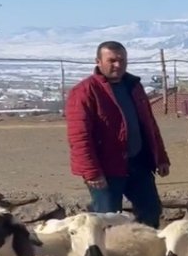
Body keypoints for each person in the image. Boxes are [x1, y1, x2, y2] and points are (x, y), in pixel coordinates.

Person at [65, 41, 170, 228]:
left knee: (151, 212)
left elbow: (149, 125)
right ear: (98, 61)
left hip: (139, 164)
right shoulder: (85, 91)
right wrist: (91, 172)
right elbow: (79, 136)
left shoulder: (134, 87)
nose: (118, 65)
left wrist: (161, 158)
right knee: (107, 220)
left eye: (122, 60)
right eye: (111, 60)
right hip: (106, 170)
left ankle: (144, 246)